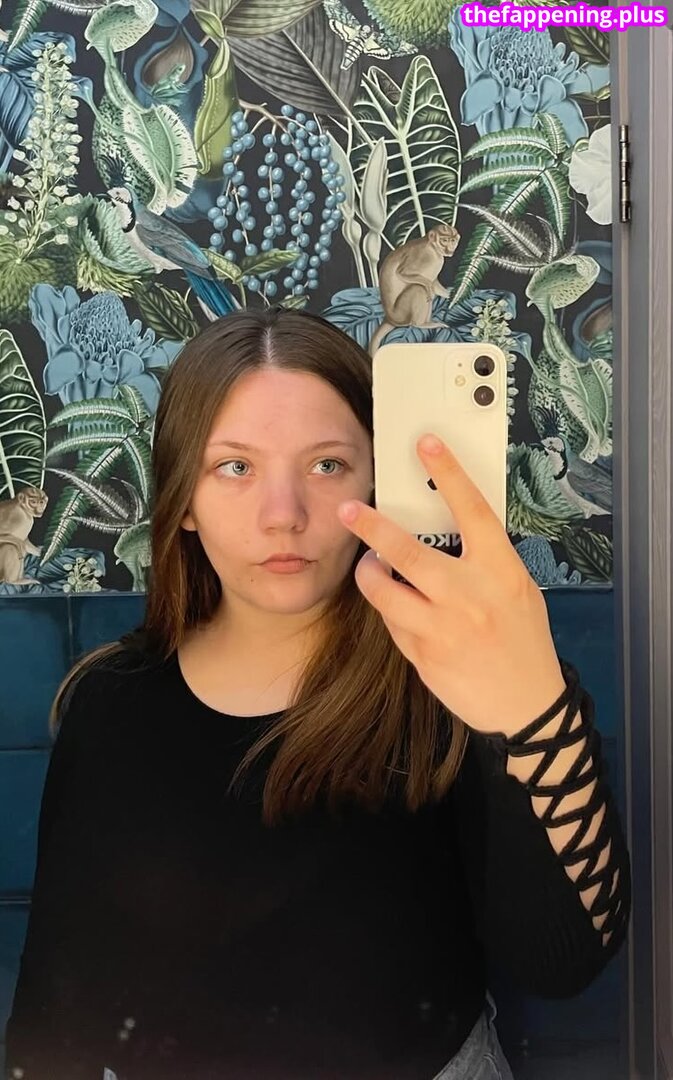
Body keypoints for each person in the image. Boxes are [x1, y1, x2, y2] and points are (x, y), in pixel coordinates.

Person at [5, 308, 630, 1080]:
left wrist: (531, 705)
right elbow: (57, 998)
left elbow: (562, 960)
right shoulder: (110, 703)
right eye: (234, 467)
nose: (283, 516)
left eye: (327, 464)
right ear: (184, 500)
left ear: (378, 481)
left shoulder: (448, 684)